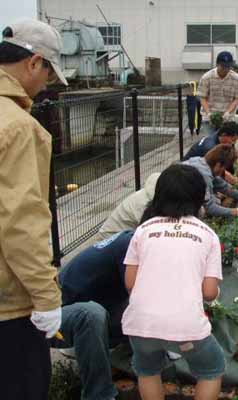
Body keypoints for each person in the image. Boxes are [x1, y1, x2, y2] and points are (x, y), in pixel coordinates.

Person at [0, 20, 68, 400]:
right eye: (48, 73)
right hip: (8, 309)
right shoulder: (19, 127)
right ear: (34, 62)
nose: (47, 84)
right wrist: (45, 297)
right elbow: (20, 222)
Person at [122, 164, 225, 400]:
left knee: (147, 371)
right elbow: (209, 292)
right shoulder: (207, 234)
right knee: (212, 368)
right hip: (186, 327)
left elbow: (130, 283)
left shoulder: (143, 229)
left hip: (140, 324)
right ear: (199, 196)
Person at [51, 230, 135, 400]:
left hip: (79, 301)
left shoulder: (132, 239)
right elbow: (140, 299)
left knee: (130, 312)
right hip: (53, 314)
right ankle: (99, 395)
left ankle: (111, 355)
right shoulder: (130, 247)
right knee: (90, 316)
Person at [183, 144, 238, 218]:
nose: (224, 172)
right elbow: (210, 208)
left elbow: (223, 187)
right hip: (176, 205)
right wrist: (237, 212)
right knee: (204, 209)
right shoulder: (204, 175)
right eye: (224, 168)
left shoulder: (201, 161)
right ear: (218, 165)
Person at [95, 172, 160, 241]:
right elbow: (150, 234)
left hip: (123, 235)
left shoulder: (150, 194)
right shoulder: (144, 204)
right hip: (110, 239)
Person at [198, 51, 238, 136]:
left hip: (228, 118)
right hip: (209, 117)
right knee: (210, 144)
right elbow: (202, 97)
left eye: (228, 67)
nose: (226, 69)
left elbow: (237, 98)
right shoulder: (207, 77)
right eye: (223, 66)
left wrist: (227, 112)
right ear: (217, 64)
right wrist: (209, 113)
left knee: (227, 145)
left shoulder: (236, 78)